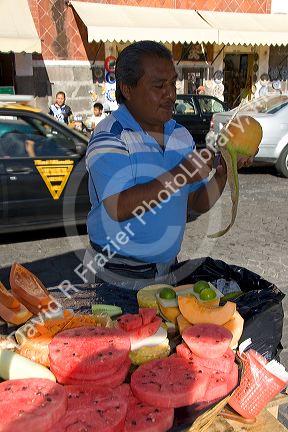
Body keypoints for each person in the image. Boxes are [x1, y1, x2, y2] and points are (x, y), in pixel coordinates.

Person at [83, 41, 253, 290]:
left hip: (169, 270)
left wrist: (223, 172)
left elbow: (193, 204)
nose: (171, 94)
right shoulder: (110, 136)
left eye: (172, 83)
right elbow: (118, 207)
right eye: (159, 86)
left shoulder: (180, 135)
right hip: (118, 275)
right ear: (127, 89)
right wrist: (182, 174)